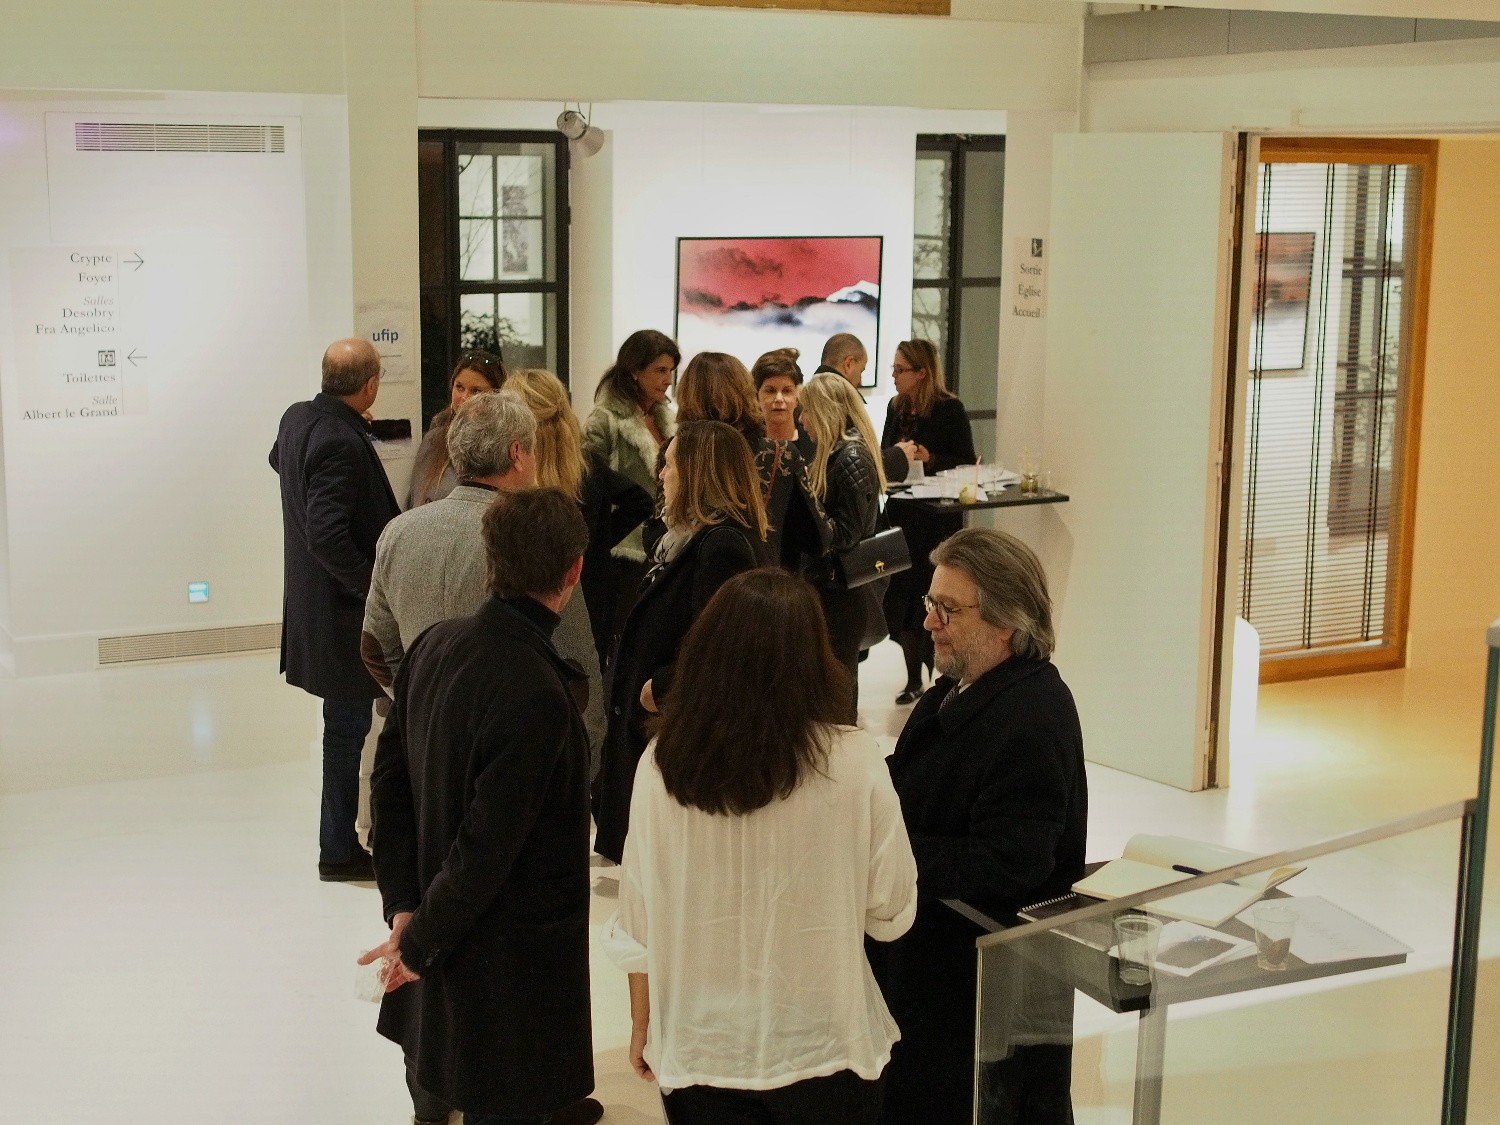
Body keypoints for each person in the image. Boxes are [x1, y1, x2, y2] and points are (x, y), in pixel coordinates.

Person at [604, 569, 918, 1124]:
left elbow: (638, 921)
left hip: (701, 1044)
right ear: (816, 660)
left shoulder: (662, 767)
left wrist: (642, 1022)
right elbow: (891, 913)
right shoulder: (855, 761)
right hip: (826, 1043)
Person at [364, 488, 598, 1125]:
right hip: (504, 966)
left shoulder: (432, 646)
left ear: (492, 561)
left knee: (442, 1069)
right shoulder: (537, 690)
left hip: (441, 925)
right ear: (574, 572)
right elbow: (485, 851)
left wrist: (405, 906)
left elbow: (389, 787)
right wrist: (417, 943)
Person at [869, 528, 1087, 1125]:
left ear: (1007, 624)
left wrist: (889, 854)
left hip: (981, 992)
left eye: (948, 609)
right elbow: (910, 779)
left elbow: (1010, 860)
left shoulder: (1033, 715)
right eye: (930, 603)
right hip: (930, 973)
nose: (929, 623)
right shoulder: (955, 690)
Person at [361, 389, 607, 777]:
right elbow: (576, 665)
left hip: (424, 754)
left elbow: (375, 645)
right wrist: (586, 761)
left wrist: (421, 699)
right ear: (517, 454)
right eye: (533, 449)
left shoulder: (398, 532)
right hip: (514, 754)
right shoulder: (535, 537)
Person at [592, 420, 770, 864]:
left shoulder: (721, 545)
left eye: (669, 465)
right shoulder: (687, 541)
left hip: (679, 735)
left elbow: (728, 650)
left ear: (695, 472)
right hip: (666, 732)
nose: (661, 476)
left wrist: (661, 688)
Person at [270, 337, 400, 882]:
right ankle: (338, 849)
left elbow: (279, 460)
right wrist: (375, 588)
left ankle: (339, 843)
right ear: (370, 386)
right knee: (346, 735)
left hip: (315, 609)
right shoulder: (341, 441)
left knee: (341, 732)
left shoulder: (297, 418)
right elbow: (326, 535)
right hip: (342, 617)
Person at [506, 368, 653, 666]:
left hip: (534, 606)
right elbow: (641, 500)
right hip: (590, 599)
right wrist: (596, 541)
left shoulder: (516, 475)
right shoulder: (587, 467)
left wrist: (596, 539)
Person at [880, 339, 977, 705]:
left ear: (921, 373)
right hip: (902, 514)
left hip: (937, 520)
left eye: (899, 369)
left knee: (937, 597)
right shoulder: (896, 407)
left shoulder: (950, 409)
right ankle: (912, 678)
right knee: (902, 597)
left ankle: (943, 679)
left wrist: (930, 457)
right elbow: (885, 452)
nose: (893, 375)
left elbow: (966, 460)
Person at [581, 330, 679, 659]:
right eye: (660, 370)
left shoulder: (667, 420)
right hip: (625, 554)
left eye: (671, 370)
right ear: (635, 370)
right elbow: (589, 490)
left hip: (663, 546)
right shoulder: (604, 420)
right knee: (622, 643)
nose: (668, 380)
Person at [798, 372, 887, 720]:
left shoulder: (850, 457)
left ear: (824, 410)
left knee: (837, 698)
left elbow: (847, 533)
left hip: (841, 594)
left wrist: (806, 516)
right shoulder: (840, 455)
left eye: (806, 411)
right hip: (832, 590)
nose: (802, 420)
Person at [409, 350, 508, 508]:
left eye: (476, 391)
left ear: (496, 397)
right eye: (459, 387)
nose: (464, 397)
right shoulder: (434, 439)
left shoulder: (505, 446)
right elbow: (415, 499)